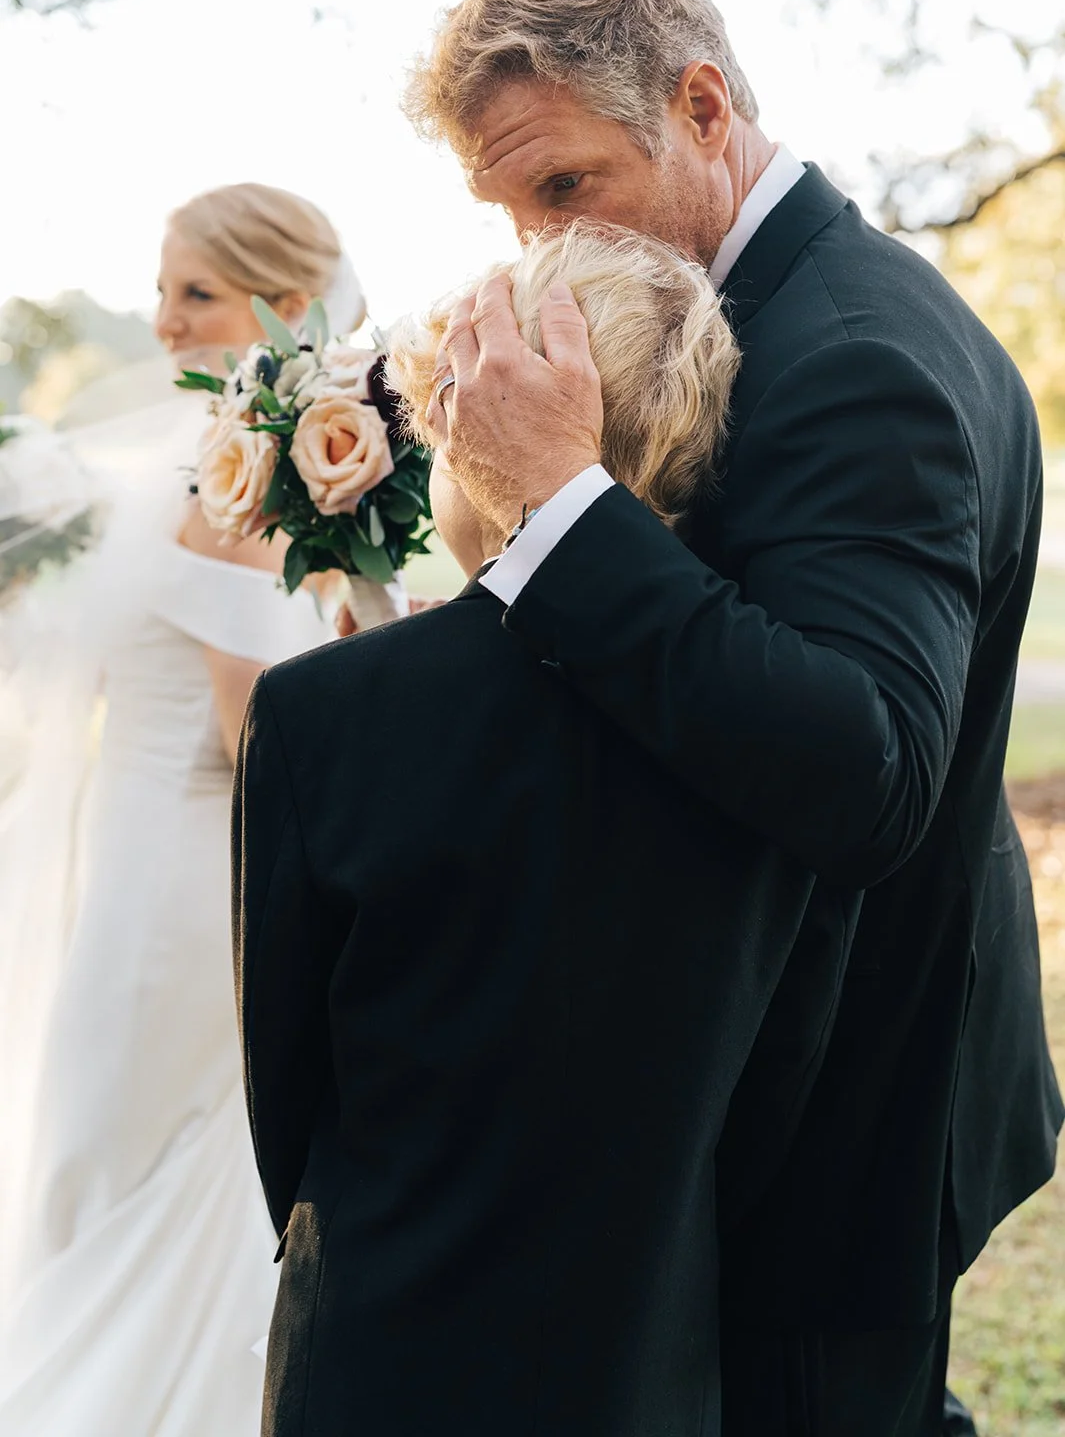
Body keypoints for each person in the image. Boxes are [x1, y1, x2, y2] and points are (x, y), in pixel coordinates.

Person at [405, 0, 1063, 1435]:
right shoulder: (779, 305)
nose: (546, 252)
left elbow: (865, 762)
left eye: (569, 187)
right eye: (513, 216)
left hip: (846, 1105)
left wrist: (563, 505)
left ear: (703, 109)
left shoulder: (849, 351)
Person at [233, 221, 818, 1436]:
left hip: (384, 1359)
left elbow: (284, 1112)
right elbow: (778, 1089)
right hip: (649, 1366)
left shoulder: (319, 711)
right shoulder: (773, 722)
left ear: (471, 411)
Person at [0, 183, 365, 1435]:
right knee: (164, 1173)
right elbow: (259, 741)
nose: (162, 322)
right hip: (201, 884)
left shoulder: (208, 467)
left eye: (194, 293)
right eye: (161, 290)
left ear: (289, 304)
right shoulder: (226, 487)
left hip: (147, 866)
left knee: (123, 1175)